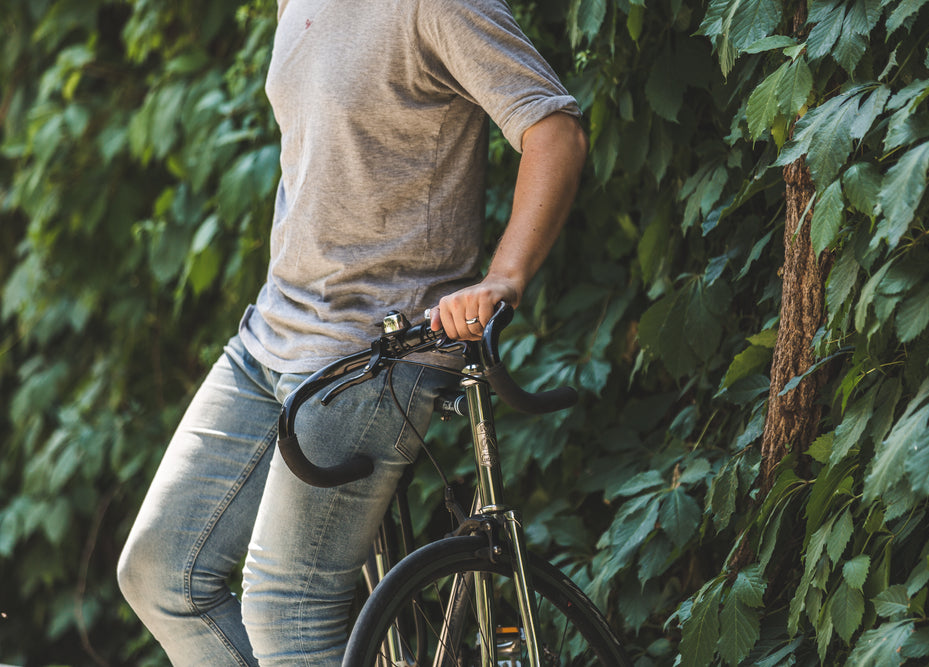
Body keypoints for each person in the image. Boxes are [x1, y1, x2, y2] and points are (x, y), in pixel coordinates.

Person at [116, 0, 587, 663]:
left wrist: (504, 277)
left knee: (287, 609)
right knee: (160, 573)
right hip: (271, 334)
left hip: (377, 351)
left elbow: (554, 129)